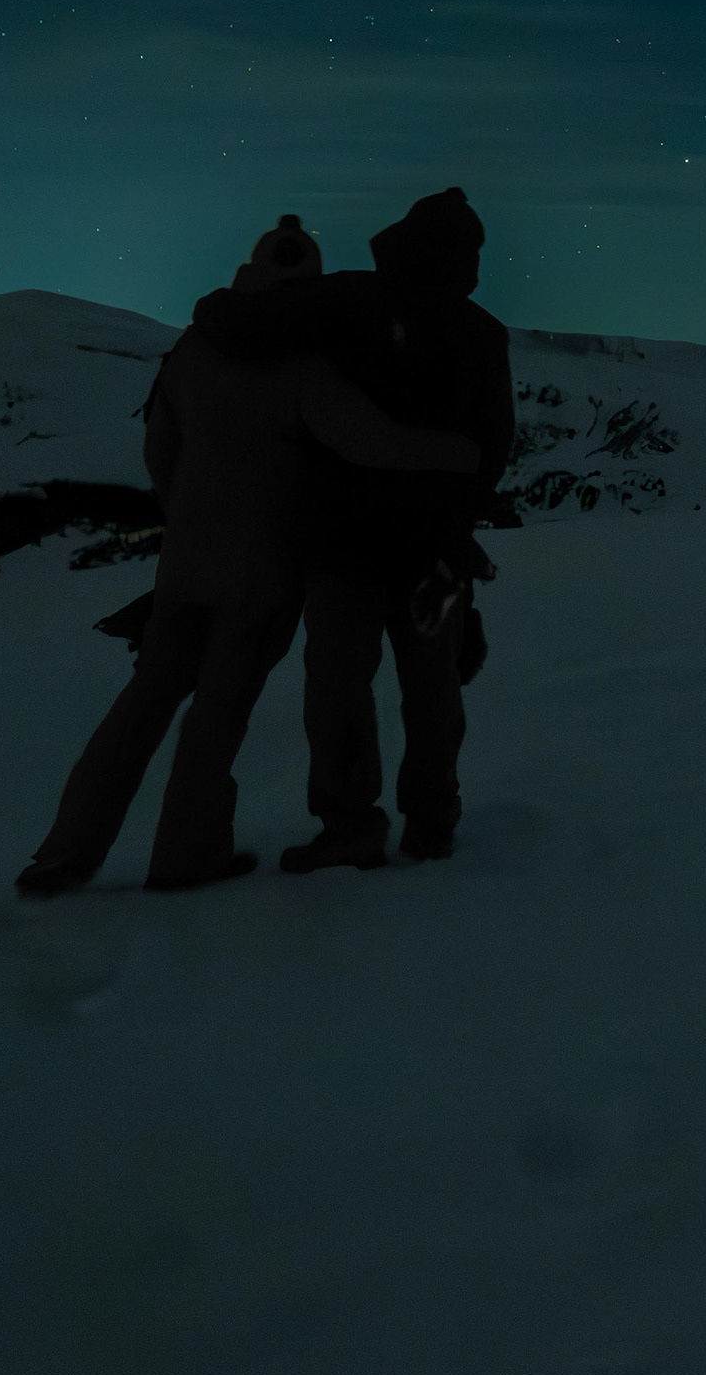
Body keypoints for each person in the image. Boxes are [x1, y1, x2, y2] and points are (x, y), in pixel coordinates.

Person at [13, 215, 485, 897]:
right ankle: (185, 857)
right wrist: (456, 453)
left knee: (140, 706)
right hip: (260, 574)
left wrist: (188, 520)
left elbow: (160, 451)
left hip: (182, 567)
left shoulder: (192, 349)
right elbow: (369, 441)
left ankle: (64, 855)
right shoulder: (300, 364)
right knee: (217, 716)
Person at [186, 186, 513, 872]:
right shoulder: (479, 332)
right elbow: (491, 447)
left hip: (345, 545)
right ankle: (431, 822)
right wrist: (454, 527)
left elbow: (241, 328)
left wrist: (226, 299)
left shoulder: (346, 300)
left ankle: (352, 824)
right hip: (428, 553)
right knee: (431, 693)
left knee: (340, 689)